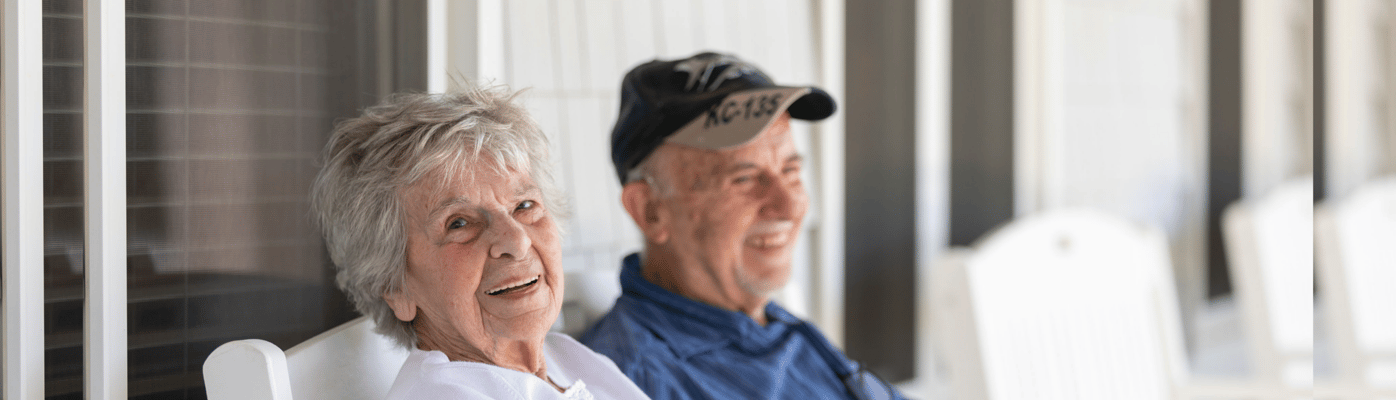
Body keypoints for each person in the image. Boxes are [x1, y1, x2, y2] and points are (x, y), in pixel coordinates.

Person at [580, 52, 907, 400]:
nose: (789, 206)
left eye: (790, 171)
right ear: (650, 211)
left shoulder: (768, 322)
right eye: (744, 178)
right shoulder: (627, 382)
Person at [311, 83, 650, 400]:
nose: (516, 240)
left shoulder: (569, 359)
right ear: (394, 287)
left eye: (524, 206)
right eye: (458, 223)